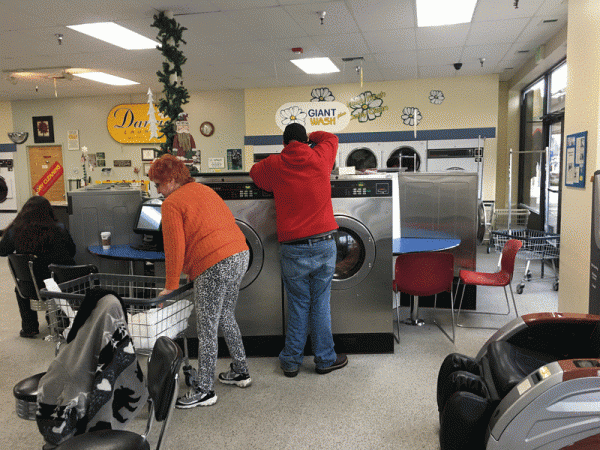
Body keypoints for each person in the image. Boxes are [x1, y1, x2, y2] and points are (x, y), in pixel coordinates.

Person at [148, 154, 251, 408]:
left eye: (158, 184)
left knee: (206, 329)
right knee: (226, 315)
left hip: (214, 264)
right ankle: (241, 370)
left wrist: (170, 287)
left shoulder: (171, 203)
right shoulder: (203, 189)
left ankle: (205, 390)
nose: (157, 190)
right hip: (240, 253)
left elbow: (174, 247)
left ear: (171, 180)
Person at [250, 123, 348, 377]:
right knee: (320, 304)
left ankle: (291, 362)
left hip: (293, 248)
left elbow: (254, 173)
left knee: (298, 305)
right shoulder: (320, 156)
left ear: (284, 143)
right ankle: (325, 359)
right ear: (305, 141)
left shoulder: (274, 163)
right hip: (324, 243)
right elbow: (330, 137)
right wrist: (310, 138)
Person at [0, 195, 76, 338]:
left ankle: (29, 327)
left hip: (30, 287)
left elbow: (2, 250)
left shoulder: (16, 230)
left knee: (20, 285)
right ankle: (59, 321)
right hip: (57, 285)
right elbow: (72, 251)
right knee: (56, 275)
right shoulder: (58, 228)